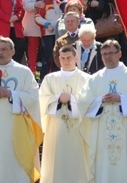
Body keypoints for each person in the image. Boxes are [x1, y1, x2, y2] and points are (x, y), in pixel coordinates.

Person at [79, 39, 127, 183]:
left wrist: (122, 99)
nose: (107, 57)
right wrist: (100, 100)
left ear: (120, 54)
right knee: (104, 166)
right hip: (102, 134)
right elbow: (83, 101)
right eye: (104, 54)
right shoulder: (94, 79)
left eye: (111, 53)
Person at [0, 36, 42, 183]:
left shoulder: (24, 72)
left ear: (13, 51)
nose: (0, 53)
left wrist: (11, 94)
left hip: (19, 131)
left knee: (18, 168)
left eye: (4, 49)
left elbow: (34, 98)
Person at [39, 45, 91, 183]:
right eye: (62, 58)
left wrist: (72, 99)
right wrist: (58, 98)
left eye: (69, 58)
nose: (66, 61)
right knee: (57, 162)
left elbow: (90, 102)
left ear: (76, 57)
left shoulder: (86, 79)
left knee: (78, 163)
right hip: (56, 131)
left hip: (79, 131)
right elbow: (42, 100)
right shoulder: (50, 79)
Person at [21, 0, 50, 74]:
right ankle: (32, 73)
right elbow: (25, 5)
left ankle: (48, 73)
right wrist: (36, 4)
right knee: (32, 49)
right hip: (32, 21)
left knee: (47, 49)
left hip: (47, 20)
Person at [34, 0, 62, 80]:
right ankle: (43, 78)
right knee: (48, 56)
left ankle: (56, 77)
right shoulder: (44, 2)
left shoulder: (60, 3)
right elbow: (37, 17)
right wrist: (47, 25)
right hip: (47, 34)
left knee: (57, 56)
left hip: (58, 34)